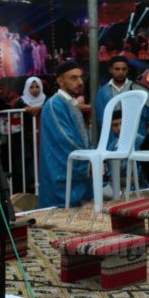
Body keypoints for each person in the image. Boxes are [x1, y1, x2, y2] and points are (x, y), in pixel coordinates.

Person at [38, 61, 92, 208]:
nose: (80, 82)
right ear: (60, 81)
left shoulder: (70, 103)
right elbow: (66, 140)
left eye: (80, 77)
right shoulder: (55, 104)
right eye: (74, 78)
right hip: (60, 171)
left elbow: (83, 136)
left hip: (75, 172)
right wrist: (89, 160)